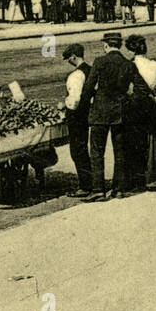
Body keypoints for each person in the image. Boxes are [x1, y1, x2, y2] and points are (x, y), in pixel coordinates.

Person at [82, 32, 152, 202]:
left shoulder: (99, 62)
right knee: (120, 151)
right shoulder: (128, 64)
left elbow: (88, 88)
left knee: (97, 151)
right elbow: (143, 89)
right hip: (120, 113)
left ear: (106, 45)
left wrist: (88, 104)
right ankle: (118, 189)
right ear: (119, 45)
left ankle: (98, 189)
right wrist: (127, 101)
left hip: (100, 112)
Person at [126, 34, 156, 190]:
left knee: (134, 140)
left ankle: (136, 177)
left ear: (130, 50)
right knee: (152, 139)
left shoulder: (129, 65)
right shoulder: (154, 65)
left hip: (134, 104)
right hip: (150, 103)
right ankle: (154, 176)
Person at [60, 44, 95, 198]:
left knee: (77, 151)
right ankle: (90, 182)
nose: (68, 61)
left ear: (74, 56)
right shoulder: (91, 69)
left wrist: (64, 104)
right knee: (83, 148)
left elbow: (74, 101)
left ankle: (85, 186)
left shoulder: (76, 75)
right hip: (88, 113)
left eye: (68, 58)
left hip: (77, 117)